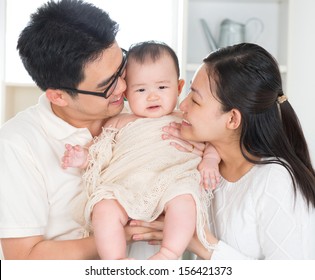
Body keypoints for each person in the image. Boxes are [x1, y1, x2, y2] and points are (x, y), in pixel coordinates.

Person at [0, 0, 154, 259]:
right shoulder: (17, 144)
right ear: (58, 96)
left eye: (121, 68)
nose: (122, 88)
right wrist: (125, 234)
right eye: (107, 85)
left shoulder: (141, 113)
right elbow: (23, 258)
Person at [153, 43, 315, 259]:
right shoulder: (200, 163)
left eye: (195, 99)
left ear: (232, 119)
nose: (182, 106)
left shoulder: (275, 180)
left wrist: (201, 242)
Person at [61, 41, 220, 260]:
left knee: (185, 200)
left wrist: (210, 160)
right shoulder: (118, 122)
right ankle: (116, 261)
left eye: (162, 87)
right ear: (126, 93)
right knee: (103, 207)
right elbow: (102, 152)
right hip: (128, 185)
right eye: (141, 89)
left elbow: (211, 142)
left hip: (173, 180)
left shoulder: (185, 119)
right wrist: (83, 157)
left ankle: (169, 253)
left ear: (179, 87)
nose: (152, 96)